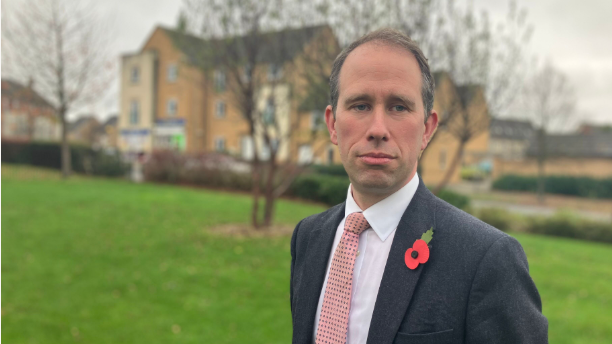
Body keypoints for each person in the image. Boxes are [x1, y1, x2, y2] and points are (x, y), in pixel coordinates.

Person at [289, 28, 548, 344]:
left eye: (398, 106)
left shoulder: (488, 260)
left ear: (427, 129)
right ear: (332, 124)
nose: (378, 129)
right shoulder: (308, 237)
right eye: (360, 105)